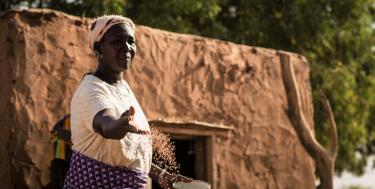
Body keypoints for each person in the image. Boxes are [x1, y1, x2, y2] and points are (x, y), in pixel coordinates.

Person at [63, 15, 192, 189]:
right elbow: (104, 123)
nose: (126, 47)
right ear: (99, 47)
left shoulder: (123, 88)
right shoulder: (91, 90)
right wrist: (115, 126)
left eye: (131, 41)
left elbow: (125, 156)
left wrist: (161, 175)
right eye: (117, 41)